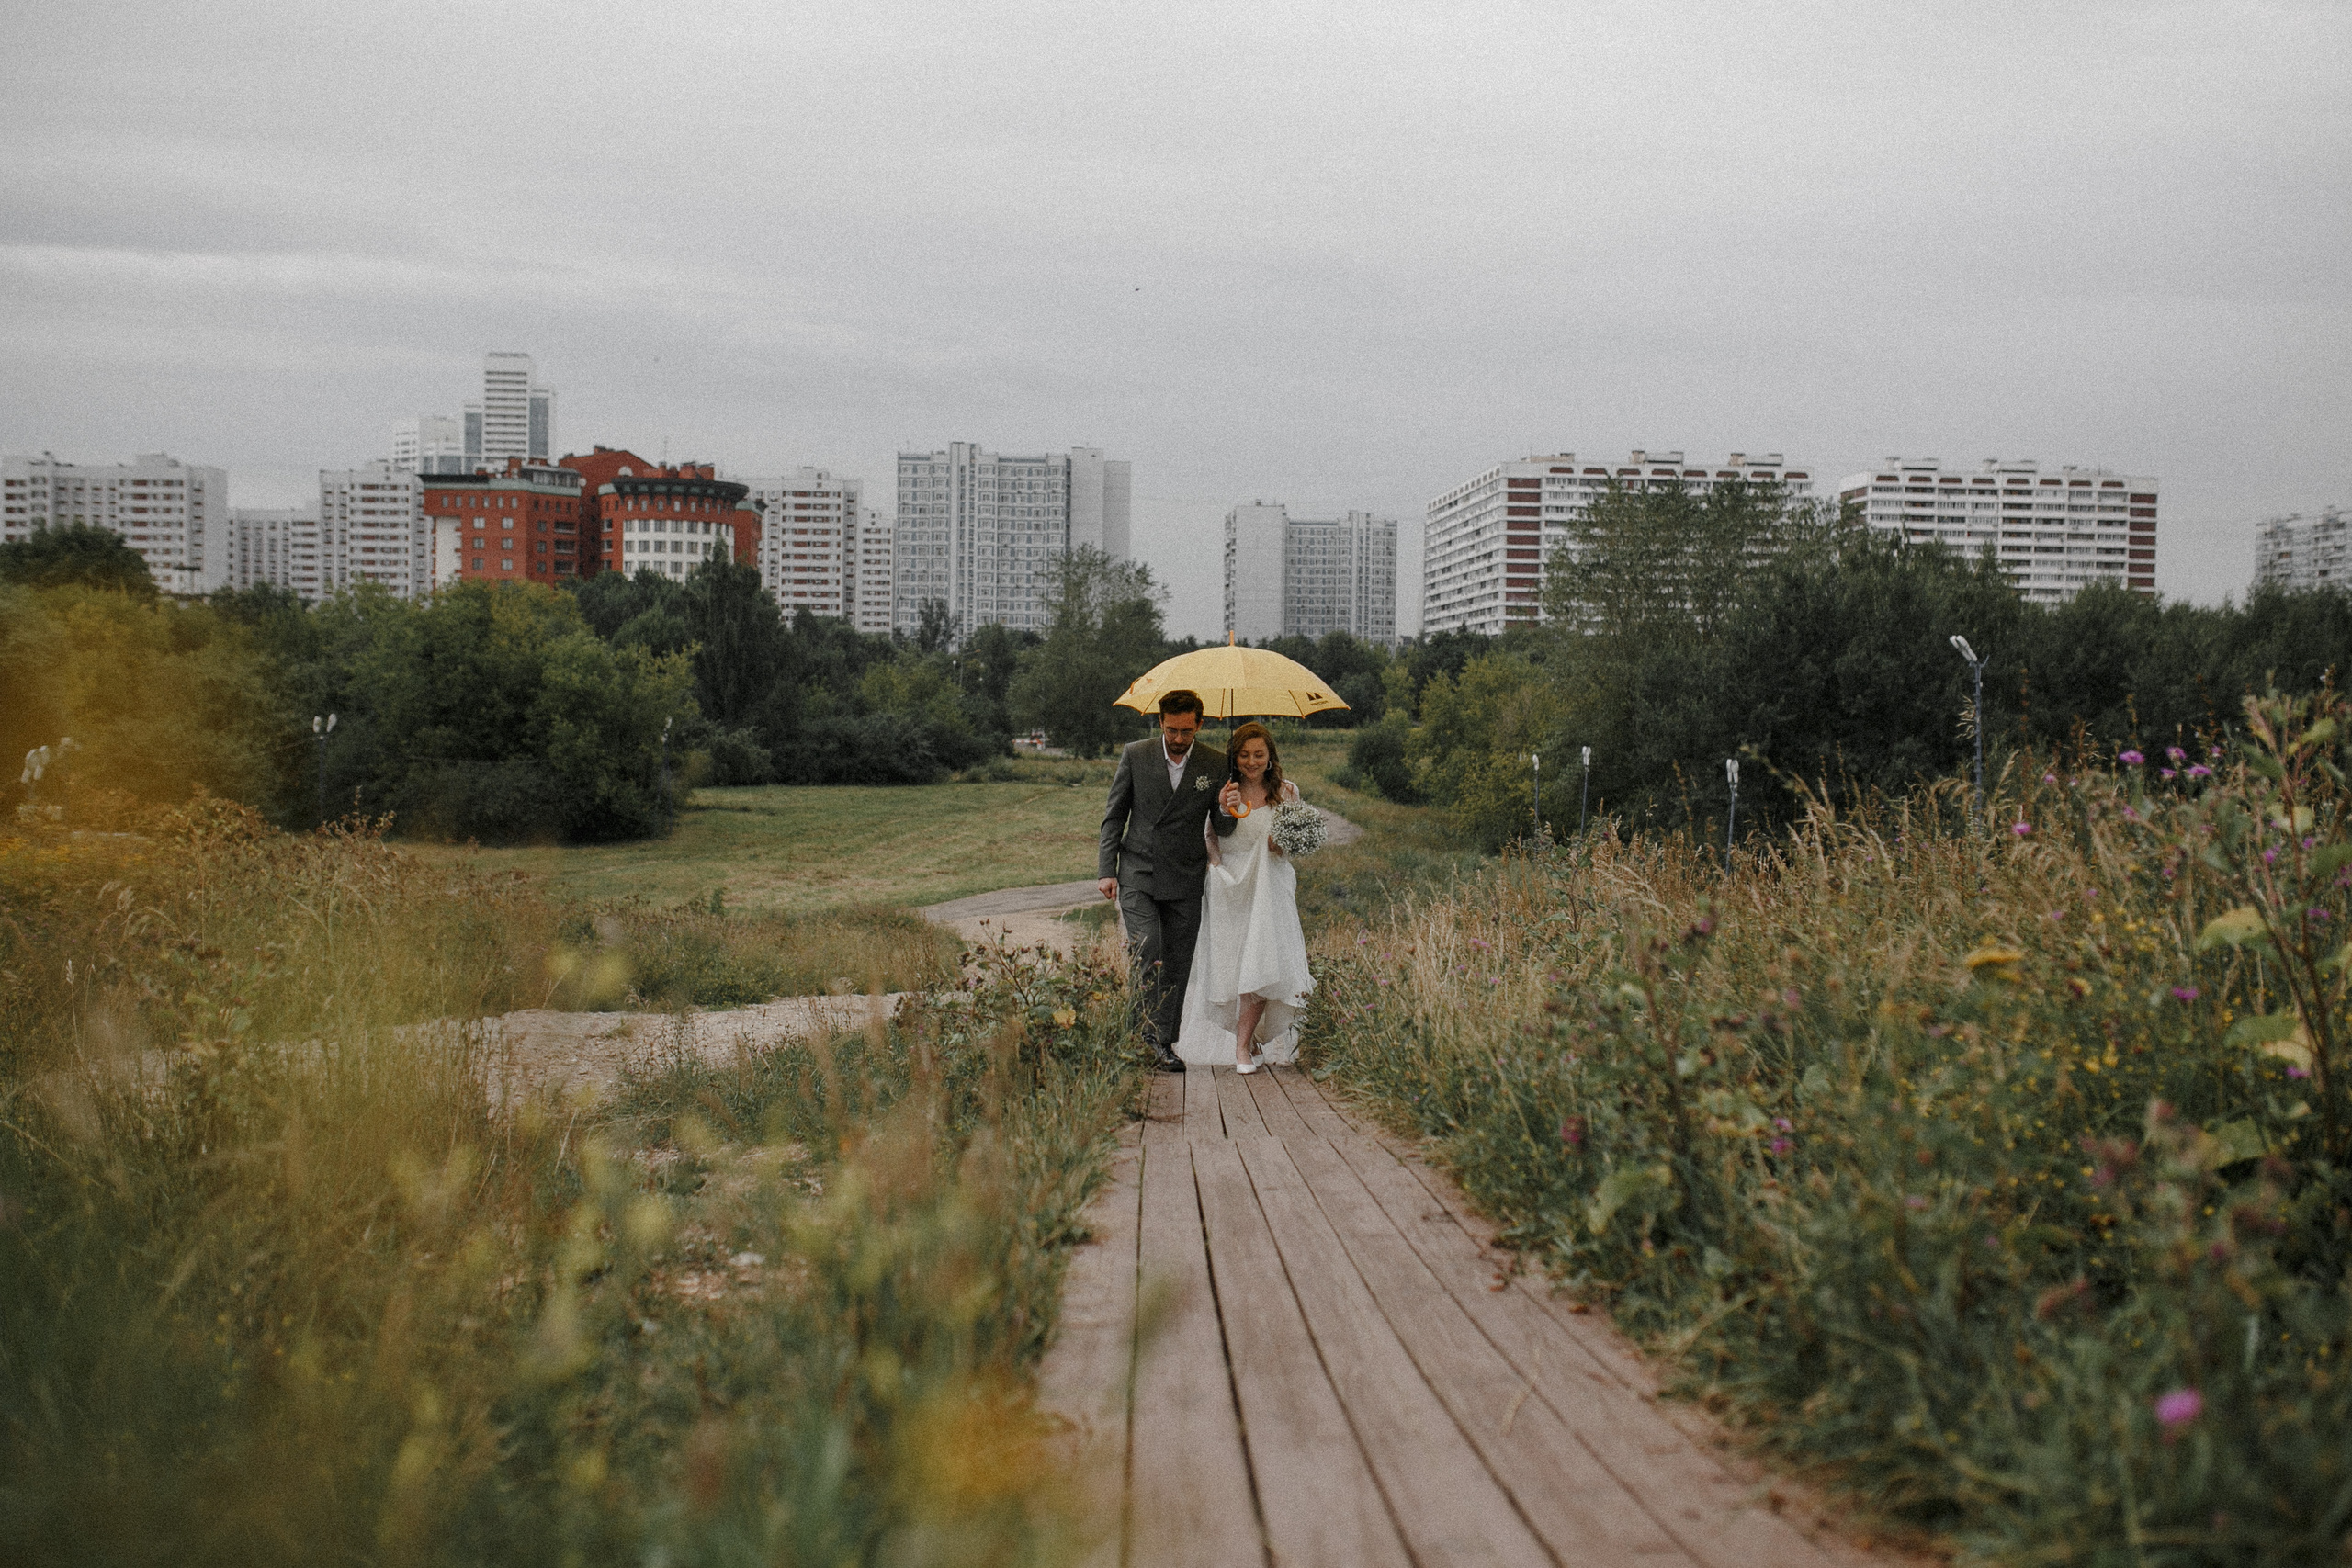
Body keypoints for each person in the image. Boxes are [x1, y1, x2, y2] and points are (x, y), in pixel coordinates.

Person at [1097, 690, 1235, 1072]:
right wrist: (1107, 869)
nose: (1178, 739)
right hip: (1138, 870)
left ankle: (1164, 1043)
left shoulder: (1214, 762)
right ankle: (1139, 1036)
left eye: (1186, 731)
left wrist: (1227, 806)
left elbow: (1221, 827)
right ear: (1160, 723)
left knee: (1177, 963)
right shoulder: (1135, 755)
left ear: (1199, 725)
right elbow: (1114, 816)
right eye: (1172, 730)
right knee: (1147, 948)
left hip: (1186, 876)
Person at [1174, 721, 1314, 1073]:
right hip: (1230, 885)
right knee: (1233, 966)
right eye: (1244, 754)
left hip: (1271, 886)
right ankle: (1248, 1042)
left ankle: (1239, 1049)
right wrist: (1217, 863)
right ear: (1235, 758)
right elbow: (1209, 835)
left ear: (1270, 758)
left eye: (1259, 755)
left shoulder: (1287, 792)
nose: (1252, 761)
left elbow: (1295, 841)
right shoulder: (1225, 792)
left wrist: (1281, 845)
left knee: (1263, 961)